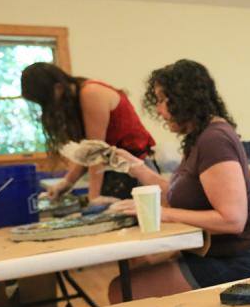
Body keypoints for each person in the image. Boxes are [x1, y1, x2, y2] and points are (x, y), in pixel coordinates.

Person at [106, 59, 250, 301]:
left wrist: (164, 214)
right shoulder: (201, 137)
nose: (159, 110)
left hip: (237, 261)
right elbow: (175, 191)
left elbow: (232, 220)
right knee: (136, 266)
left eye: (162, 100)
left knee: (122, 290)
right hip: (212, 254)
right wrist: (136, 167)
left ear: (185, 98)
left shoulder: (214, 140)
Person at [20, 62, 157, 202]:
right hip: (116, 170)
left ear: (58, 88)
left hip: (134, 168)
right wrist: (66, 182)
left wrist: (94, 196)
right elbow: (88, 154)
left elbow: (96, 150)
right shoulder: (75, 99)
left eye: (45, 101)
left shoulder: (91, 93)